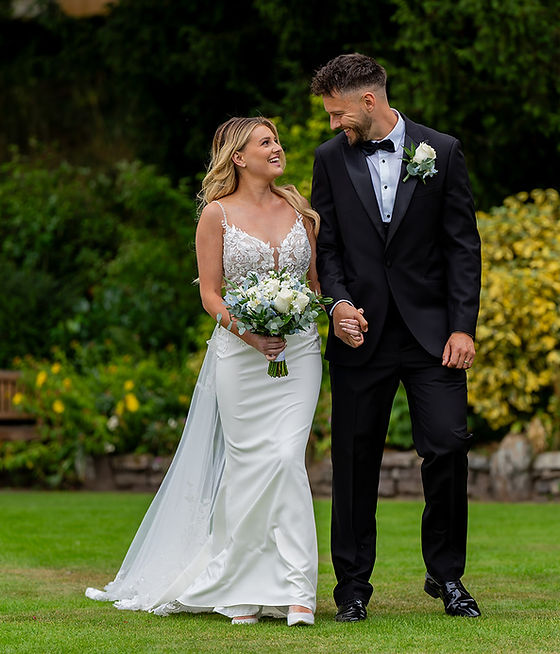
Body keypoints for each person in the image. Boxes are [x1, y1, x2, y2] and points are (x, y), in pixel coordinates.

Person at [86, 117, 321, 627]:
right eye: (266, 142)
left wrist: (314, 315)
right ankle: (243, 584)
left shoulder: (299, 209)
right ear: (239, 157)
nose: (277, 148)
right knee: (246, 467)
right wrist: (251, 333)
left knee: (284, 458)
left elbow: (315, 285)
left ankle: (299, 589)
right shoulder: (216, 216)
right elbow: (209, 294)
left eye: (277, 141)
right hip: (239, 356)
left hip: (299, 352)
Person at [310, 53, 482, 622]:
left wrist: (462, 326)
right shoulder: (329, 160)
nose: (334, 125)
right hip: (362, 335)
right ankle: (352, 589)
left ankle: (447, 576)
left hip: (433, 336)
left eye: (338, 114)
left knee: (448, 446)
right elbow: (327, 247)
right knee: (355, 462)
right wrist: (336, 305)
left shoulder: (444, 151)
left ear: (369, 101)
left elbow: (463, 246)